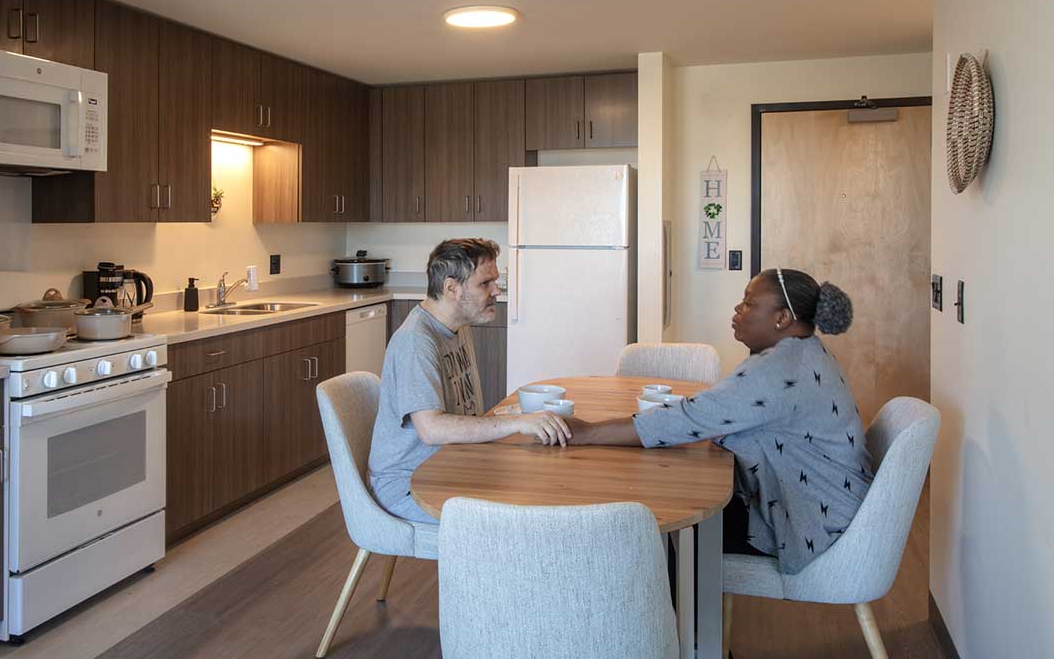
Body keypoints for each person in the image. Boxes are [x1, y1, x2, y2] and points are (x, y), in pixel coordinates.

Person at [564, 268, 872, 574]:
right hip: (831, 508)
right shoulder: (804, 352)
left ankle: (674, 616)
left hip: (813, 527)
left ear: (782, 318)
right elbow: (715, 410)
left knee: (658, 524)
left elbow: (690, 419)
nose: (738, 309)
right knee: (681, 498)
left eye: (749, 303)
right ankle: (679, 611)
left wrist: (587, 432)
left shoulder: (778, 368)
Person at [367, 238, 572, 524]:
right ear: (452, 288)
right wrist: (518, 423)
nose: (496, 291)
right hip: (410, 486)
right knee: (524, 519)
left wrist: (518, 419)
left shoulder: (457, 327)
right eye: (485, 283)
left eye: (495, 282)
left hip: (451, 465)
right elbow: (432, 429)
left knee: (542, 486)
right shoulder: (416, 341)